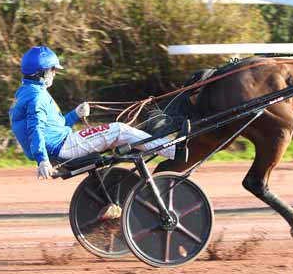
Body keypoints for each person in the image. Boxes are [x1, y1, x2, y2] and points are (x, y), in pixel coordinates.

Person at [10, 46, 174, 180]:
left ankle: (168, 149)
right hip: (62, 147)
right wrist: (42, 160)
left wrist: (75, 114)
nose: (54, 74)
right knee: (119, 129)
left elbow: (53, 127)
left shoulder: (29, 92)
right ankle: (174, 150)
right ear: (42, 72)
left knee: (119, 131)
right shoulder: (37, 97)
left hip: (60, 144)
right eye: (53, 70)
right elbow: (35, 129)